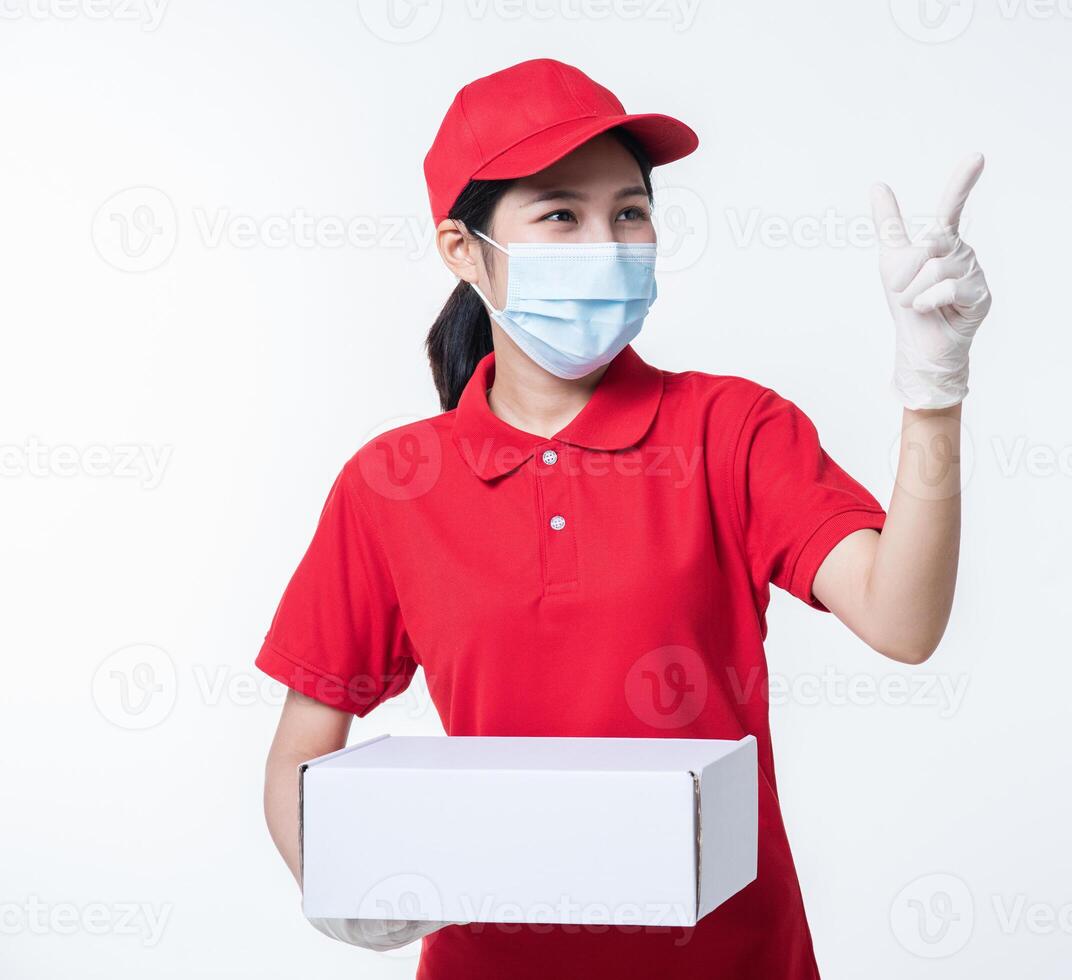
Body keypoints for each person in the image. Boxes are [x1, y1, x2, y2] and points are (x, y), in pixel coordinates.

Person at [257, 57, 990, 980]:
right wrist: (334, 876)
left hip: (733, 959)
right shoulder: (393, 482)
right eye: (560, 213)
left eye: (629, 212)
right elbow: (300, 753)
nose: (605, 241)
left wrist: (933, 393)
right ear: (462, 249)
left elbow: (903, 621)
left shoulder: (732, 429)